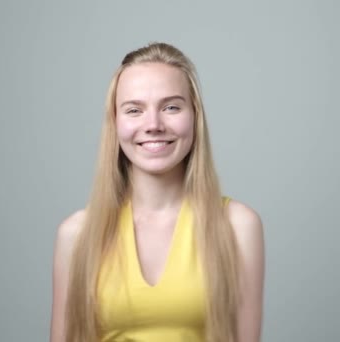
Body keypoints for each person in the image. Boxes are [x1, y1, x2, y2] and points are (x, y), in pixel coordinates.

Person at [50, 42, 265, 342]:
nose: (153, 125)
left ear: (195, 117)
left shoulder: (238, 226)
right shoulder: (76, 235)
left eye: (171, 107)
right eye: (134, 110)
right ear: (115, 123)